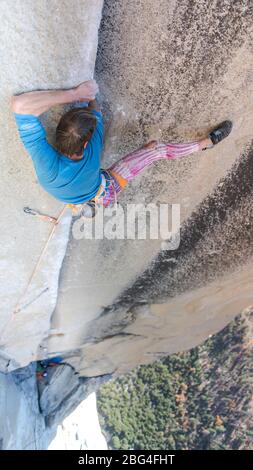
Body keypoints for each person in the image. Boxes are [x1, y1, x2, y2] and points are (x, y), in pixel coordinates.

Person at [12, 80, 232, 215]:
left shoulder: (46, 163)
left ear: (57, 132)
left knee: (86, 196)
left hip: (89, 194)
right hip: (105, 188)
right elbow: (94, 105)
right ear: (86, 143)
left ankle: (82, 204)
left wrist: (71, 95)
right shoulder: (94, 143)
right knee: (155, 150)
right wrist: (80, 94)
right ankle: (206, 144)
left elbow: (20, 106)